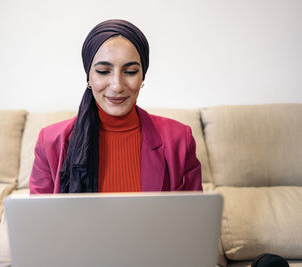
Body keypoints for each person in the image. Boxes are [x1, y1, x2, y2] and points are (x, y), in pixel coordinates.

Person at [29, 19, 202, 194]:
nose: (117, 85)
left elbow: (197, 216)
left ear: (142, 76)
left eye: (130, 71)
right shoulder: (50, 142)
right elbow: (37, 219)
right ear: (88, 77)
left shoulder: (179, 139)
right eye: (103, 71)